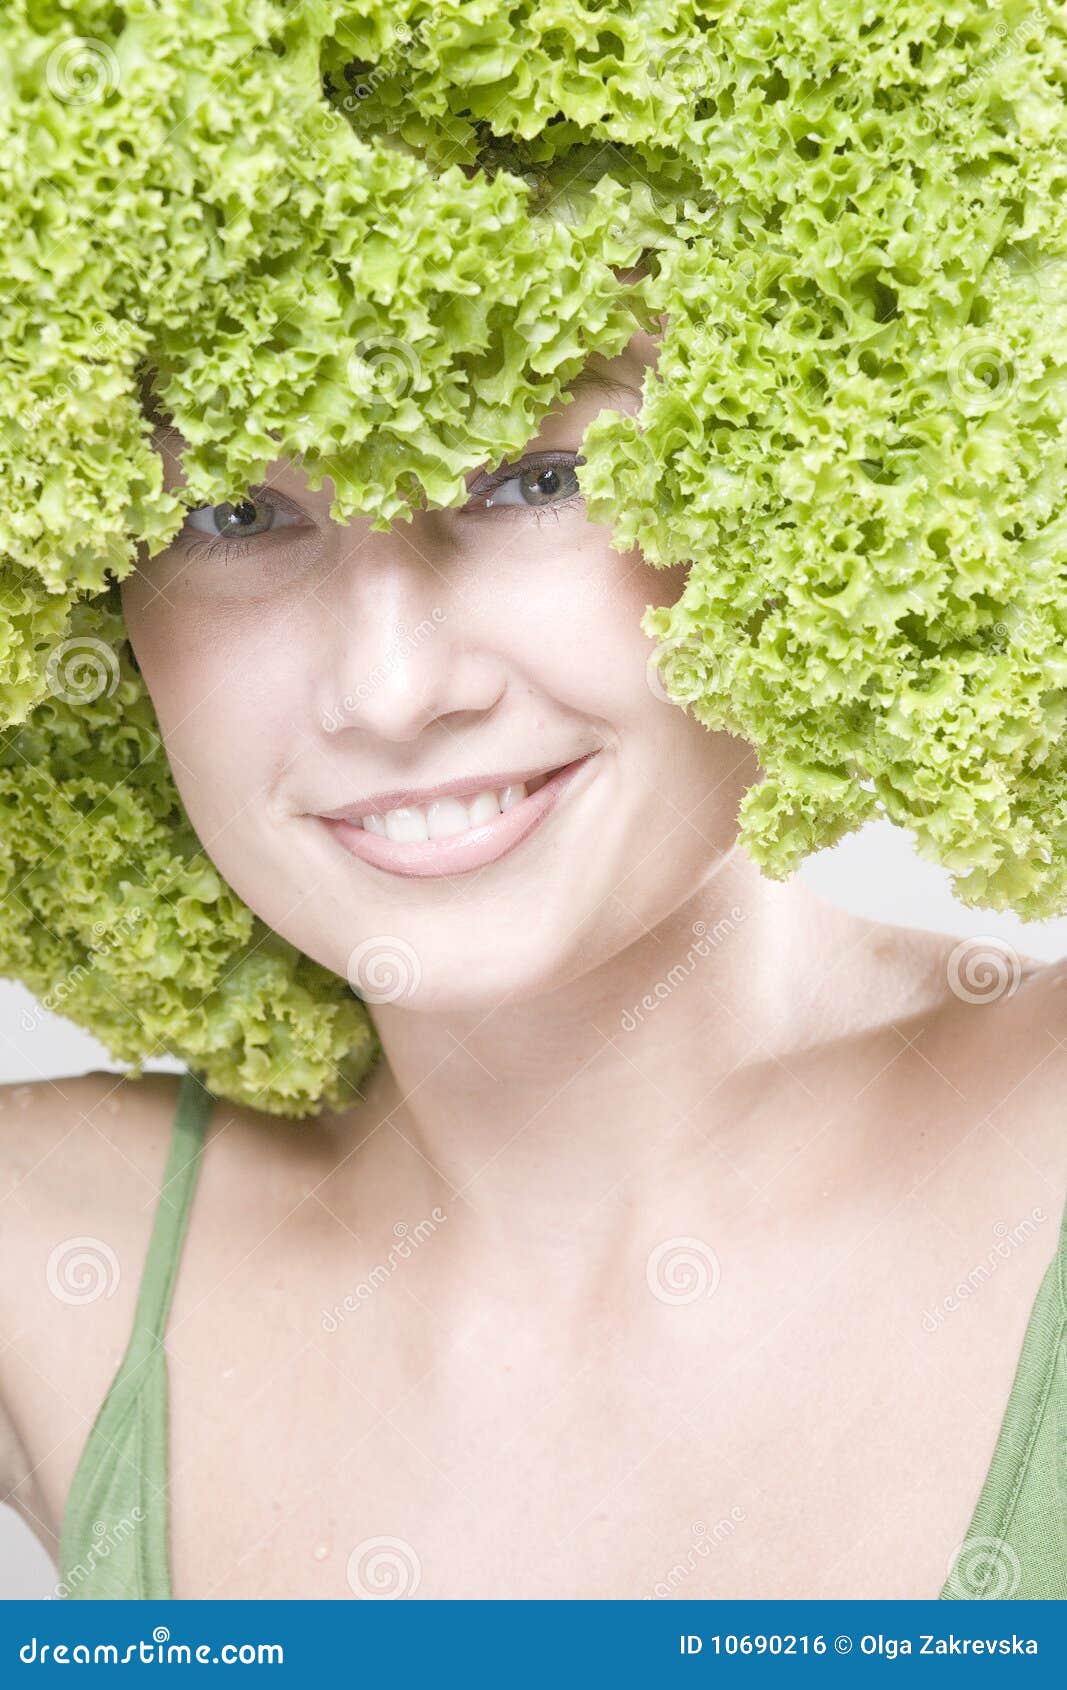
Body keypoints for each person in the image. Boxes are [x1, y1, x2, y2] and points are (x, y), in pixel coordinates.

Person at [1, 322, 1063, 1601]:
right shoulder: (52, 1255)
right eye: (234, 511)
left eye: (537, 479)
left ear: (801, 472)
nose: (391, 690)